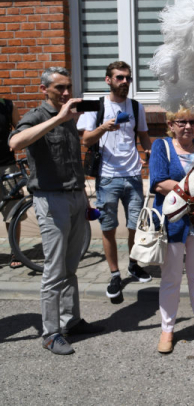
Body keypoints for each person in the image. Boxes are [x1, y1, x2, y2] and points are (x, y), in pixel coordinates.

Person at [9, 67, 104, 355]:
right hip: (51, 200)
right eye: (59, 88)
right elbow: (15, 143)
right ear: (44, 89)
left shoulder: (68, 117)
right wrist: (59, 119)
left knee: (71, 266)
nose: (65, 93)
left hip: (75, 197)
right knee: (54, 270)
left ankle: (71, 321)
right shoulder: (38, 116)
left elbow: (72, 159)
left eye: (68, 87)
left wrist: (84, 196)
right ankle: (51, 333)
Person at [77, 61, 152, 301]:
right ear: (108, 80)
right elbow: (86, 140)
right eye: (119, 78)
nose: (125, 82)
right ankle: (114, 274)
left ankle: (132, 264)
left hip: (132, 176)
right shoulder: (95, 106)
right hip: (107, 177)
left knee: (135, 226)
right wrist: (103, 127)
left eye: (128, 78)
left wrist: (149, 156)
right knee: (108, 228)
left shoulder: (136, 106)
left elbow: (143, 137)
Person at [149, 108, 194, 354]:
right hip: (173, 223)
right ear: (171, 124)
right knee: (171, 278)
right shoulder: (162, 146)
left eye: (192, 121)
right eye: (182, 122)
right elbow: (158, 181)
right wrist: (193, 190)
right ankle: (167, 329)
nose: (187, 126)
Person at [0, 97, 22, 268]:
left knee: (13, 212)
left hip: (6, 165)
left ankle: (16, 251)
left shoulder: (7, 105)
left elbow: (20, 128)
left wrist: (14, 138)